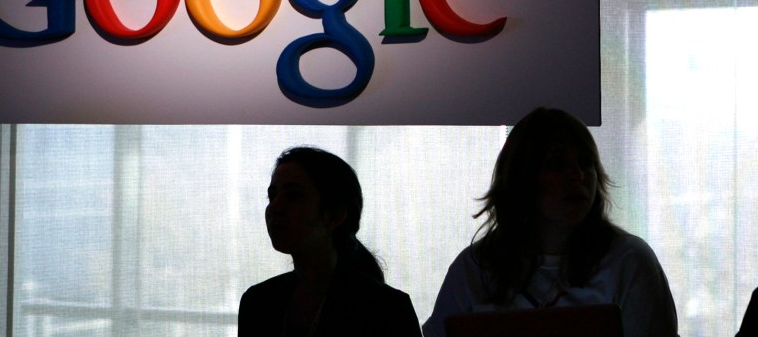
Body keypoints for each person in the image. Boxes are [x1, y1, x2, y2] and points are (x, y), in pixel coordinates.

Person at [422, 107, 678, 337]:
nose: (577, 175)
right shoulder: (473, 269)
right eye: (557, 164)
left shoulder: (629, 262)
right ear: (521, 179)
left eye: (585, 162)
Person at [238, 145, 422, 336]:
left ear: (335, 215)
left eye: (293, 195)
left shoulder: (387, 309)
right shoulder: (258, 301)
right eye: (272, 195)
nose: (274, 207)